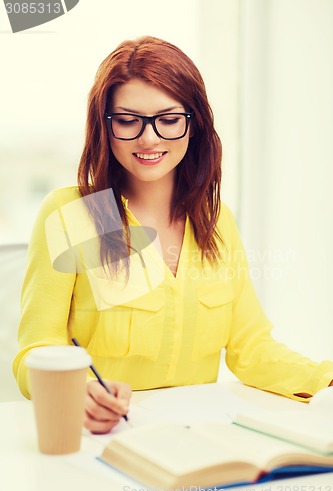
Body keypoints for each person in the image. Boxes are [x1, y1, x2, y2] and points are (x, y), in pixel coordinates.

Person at [13, 36, 333, 434]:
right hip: (102, 442)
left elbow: (252, 349)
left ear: (193, 124)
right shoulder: (71, 215)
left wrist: (326, 379)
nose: (149, 139)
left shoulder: (216, 223)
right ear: (104, 126)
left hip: (196, 441)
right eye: (128, 120)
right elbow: (33, 352)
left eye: (168, 119)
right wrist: (75, 391)